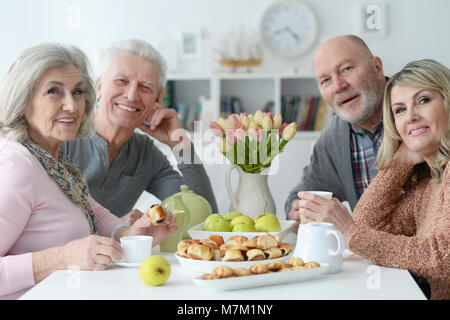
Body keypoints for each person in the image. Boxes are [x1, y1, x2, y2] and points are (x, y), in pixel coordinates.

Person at [0, 43, 177, 300]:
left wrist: (129, 235)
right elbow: (69, 248)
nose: (72, 106)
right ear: (23, 100)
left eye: (78, 92)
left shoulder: (55, 159)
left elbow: (90, 210)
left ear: (158, 97)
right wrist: (61, 257)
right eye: (54, 92)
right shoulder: (18, 166)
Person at [297, 59, 450, 300]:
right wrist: (398, 163)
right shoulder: (426, 182)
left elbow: (441, 257)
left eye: (423, 100)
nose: (411, 116)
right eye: (399, 110)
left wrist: (349, 231)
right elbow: (368, 227)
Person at [62, 39, 218, 222]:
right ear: (99, 86)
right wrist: (116, 228)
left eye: (145, 87)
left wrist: (180, 143)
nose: (131, 95)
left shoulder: (146, 154)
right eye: (121, 81)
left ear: (158, 97)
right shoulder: (63, 136)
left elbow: (204, 216)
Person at [285, 35, 387, 227]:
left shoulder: (417, 110)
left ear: (377, 68)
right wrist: (298, 209)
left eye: (346, 69)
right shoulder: (335, 135)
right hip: (369, 255)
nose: (338, 86)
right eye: (325, 80)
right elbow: (305, 191)